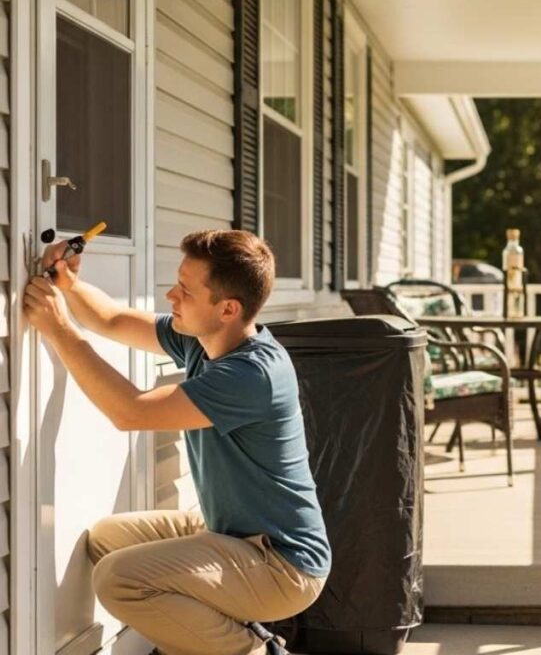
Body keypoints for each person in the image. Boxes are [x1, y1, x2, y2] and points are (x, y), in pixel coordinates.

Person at [22, 229, 331, 655]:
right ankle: (227, 632)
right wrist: (70, 286)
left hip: (281, 564)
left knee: (118, 579)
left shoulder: (251, 374)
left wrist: (59, 331)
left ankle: (254, 651)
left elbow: (131, 412)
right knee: (107, 539)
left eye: (185, 290)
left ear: (227, 308)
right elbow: (111, 319)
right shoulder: (205, 340)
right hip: (232, 534)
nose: (171, 295)